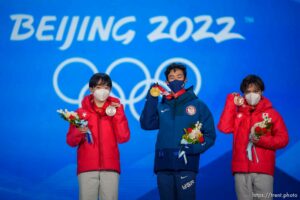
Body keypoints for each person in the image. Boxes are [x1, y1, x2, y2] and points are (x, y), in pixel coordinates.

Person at [140, 63, 216, 200]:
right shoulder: (162, 105)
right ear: (166, 82)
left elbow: (210, 135)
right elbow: (147, 124)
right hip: (163, 166)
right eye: (172, 77)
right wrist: (151, 98)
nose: (175, 80)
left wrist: (193, 148)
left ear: (185, 80)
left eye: (179, 76)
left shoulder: (198, 105)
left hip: (187, 165)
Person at [218, 74, 289, 200]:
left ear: (262, 92)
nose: (252, 95)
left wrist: (262, 140)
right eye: (248, 92)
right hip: (240, 170)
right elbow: (224, 128)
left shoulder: (272, 114)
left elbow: (283, 139)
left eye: (255, 91)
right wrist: (231, 102)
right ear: (243, 94)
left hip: (263, 170)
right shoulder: (239, 114)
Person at [66, 73, 130, 200]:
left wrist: (119, 115)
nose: (103, 91)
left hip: (111, 167)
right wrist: (79, 131)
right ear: (91, 89)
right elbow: (70, 141)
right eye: (99, 87)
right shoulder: (80, 113)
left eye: (107, 88)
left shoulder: (115, 110)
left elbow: (123, 137)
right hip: (87, 167)